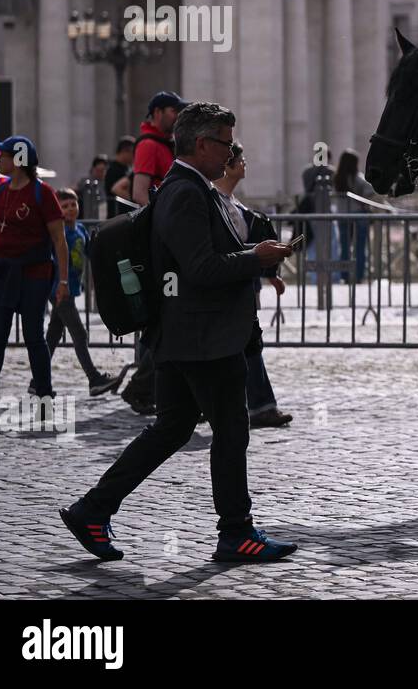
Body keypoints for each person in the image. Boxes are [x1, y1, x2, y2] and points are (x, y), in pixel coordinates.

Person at [60, 102, 298, 563]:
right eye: (226, 144)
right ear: (204, 144)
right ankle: (236, 533)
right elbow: (201, 267)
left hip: (186, 335)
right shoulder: (186, 192)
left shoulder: (189, 188)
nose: (230, 154)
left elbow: (201, 258)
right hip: (203, 338)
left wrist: (253, 253)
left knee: (171, 429)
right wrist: (258, 258)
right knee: (232, 431)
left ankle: (94, 508)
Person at [0, 135, 68, 410]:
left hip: (34, 275)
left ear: (20, 160)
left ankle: (44, 400)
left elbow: (59, 239)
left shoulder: (43, 193)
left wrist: (62, 280)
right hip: (2, 274)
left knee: (34, 337)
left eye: (4, 154)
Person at [213, 143, 293, 429]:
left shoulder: (234, 204)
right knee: (236, 346)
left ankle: (258, 406)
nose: (245, 163)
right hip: (223, 289)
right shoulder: (214, 203)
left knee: (246, 344)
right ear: (227, 164)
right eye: (240, 159)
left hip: (241, 289)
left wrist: (270, 272)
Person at [123, 92, 187, 413]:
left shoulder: (163, 144)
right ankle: (144, 385)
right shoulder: (148, 145)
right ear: (157, 111)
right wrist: (161, 229)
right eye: (173, 110)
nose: (177, 116)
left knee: (168, 316)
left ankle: (151, 386)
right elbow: (139, 192)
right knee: (168, 316)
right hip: (161, 240)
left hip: (167, 236)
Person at [44, 188, 124, 395]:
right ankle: (94, 379)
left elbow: (92, 254)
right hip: (59, 290)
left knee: (53, 335)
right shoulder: (57, 232)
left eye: (73, 204)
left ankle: (38, 380)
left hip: (70, 289)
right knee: (79, 334)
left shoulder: (80, 229)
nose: (70, 209)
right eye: (65, 206)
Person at [331, 150, 375, 284]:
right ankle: (359, 276)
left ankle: (344, 276)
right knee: (360, 248)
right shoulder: (358, 178)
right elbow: (370, 191)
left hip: (342, 215)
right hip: (358, 215)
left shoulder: (337, 178)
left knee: (344, 247)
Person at [104, 136, 136, 219]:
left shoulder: (127, 168)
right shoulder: (113, 169)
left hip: (125, 215)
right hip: (117, 216)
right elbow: (116, 189)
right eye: (133, 152)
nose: (135, 156)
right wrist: (134, 203)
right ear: (124, 151)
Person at [76, 155, 108, 222]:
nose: (100, 173)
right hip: (87, 213)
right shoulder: (85, 181)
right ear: (93, 169)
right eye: (98, 170)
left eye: (102, 170)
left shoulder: (107, 182)